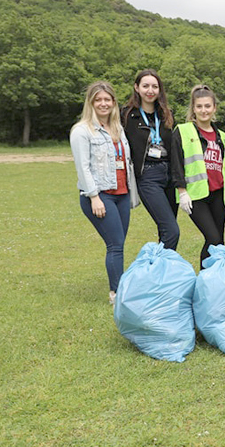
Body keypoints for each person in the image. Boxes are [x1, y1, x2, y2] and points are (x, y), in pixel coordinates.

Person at [70, 81, 139, 304]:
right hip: (100, 196)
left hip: (121, 194)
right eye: (98, 100)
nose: (103, 103)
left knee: (118, 243)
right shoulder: (82, 131)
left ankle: (120, 289)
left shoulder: (118, 128)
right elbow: (83, 167)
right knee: (115, 244)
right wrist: (94, 197)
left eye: (107, 99)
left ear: (113, 102)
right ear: (91, 103)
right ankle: (116, 294)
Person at [171, 85, 225, 268]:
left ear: (214, 108)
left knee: (218, 239)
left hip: (219, 194)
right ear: (193, 108)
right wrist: (182, 192)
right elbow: (176, 163)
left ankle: (213, 279)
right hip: (195, 195)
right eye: (199, 106)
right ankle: (205, 277)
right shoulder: (182, 130)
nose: (203, 110)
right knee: (211, 237)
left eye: (207, 106)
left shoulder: (222, 136)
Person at [122, 69, 180, 250]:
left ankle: (162, 272)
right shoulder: (126, 114)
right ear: (136, 88)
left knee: (165, 230)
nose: (150, 90)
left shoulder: (166, 113)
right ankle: (161, 268)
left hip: (169, 174)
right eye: (145, 86)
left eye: (155, 86)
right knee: (172, 231)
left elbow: (174, 147)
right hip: (147, 175)